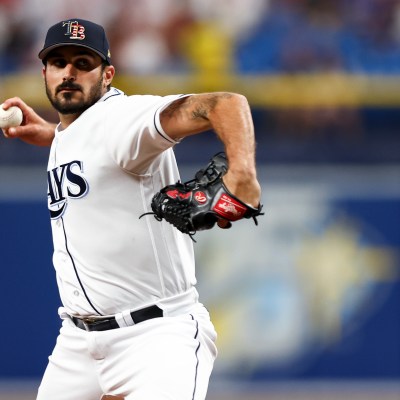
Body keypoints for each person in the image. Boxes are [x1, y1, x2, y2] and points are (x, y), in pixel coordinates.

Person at [2, 18, 261, 400]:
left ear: (107, 75)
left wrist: (243, 171)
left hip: (155, 339)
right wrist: (50, 134)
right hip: (77, 342)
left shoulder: (121, 119)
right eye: (59, 63)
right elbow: (92, 150)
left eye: (83, 63)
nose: (69, 72)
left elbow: (225, 104)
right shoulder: (73, 130)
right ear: (44, 72)